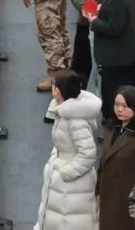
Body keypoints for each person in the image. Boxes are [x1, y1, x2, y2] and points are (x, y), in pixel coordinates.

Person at [33, 70, 101, 230]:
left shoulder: (75, 121)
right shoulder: (63, 113)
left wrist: (66, 172)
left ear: (57, 91)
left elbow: (88, 154)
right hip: (63, 182)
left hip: (73, 186)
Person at [88, 0, 135, 125]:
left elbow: (115, 27)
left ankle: (115, 127)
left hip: (116, 59)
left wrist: (94, 20)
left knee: (113, 97)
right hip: (119, 57)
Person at [98, 86, 135, 230]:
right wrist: (98, 191)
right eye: (116, 105)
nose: (119, 109)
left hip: (128, 200)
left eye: (125, 106)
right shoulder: (115, 128)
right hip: (110, 196)